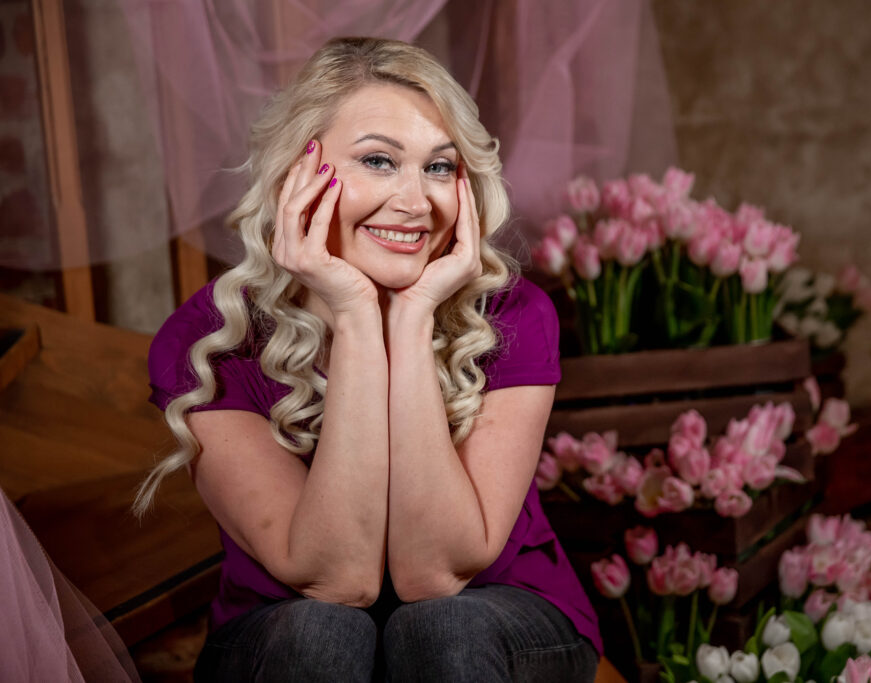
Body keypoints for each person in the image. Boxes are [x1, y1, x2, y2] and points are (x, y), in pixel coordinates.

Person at [135, 37, 600, 682]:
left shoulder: (512, 313)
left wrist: (412, 318)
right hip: (283, 636)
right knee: (320, 630)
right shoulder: (209, 337)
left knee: (443, 625)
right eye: (379, 161)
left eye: (439, 167)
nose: (416, 201)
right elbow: (337, 581)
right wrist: (355, 313)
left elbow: (435, 575)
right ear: (297, 174)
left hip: (502, 616)